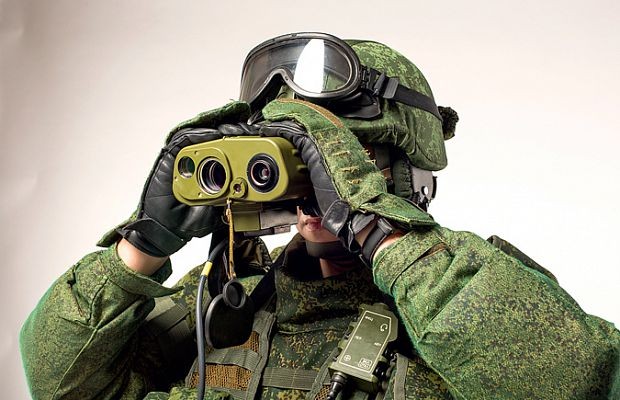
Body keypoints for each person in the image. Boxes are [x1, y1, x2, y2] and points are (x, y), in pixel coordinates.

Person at [20, 32, 619, 400]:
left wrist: (375, 227)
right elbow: (61, 386)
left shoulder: (465, 297)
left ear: (407, 173)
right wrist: (143, 244)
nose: (317, 183)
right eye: (301, 159)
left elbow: (583, 384)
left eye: (339, 159)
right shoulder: (224, 305)